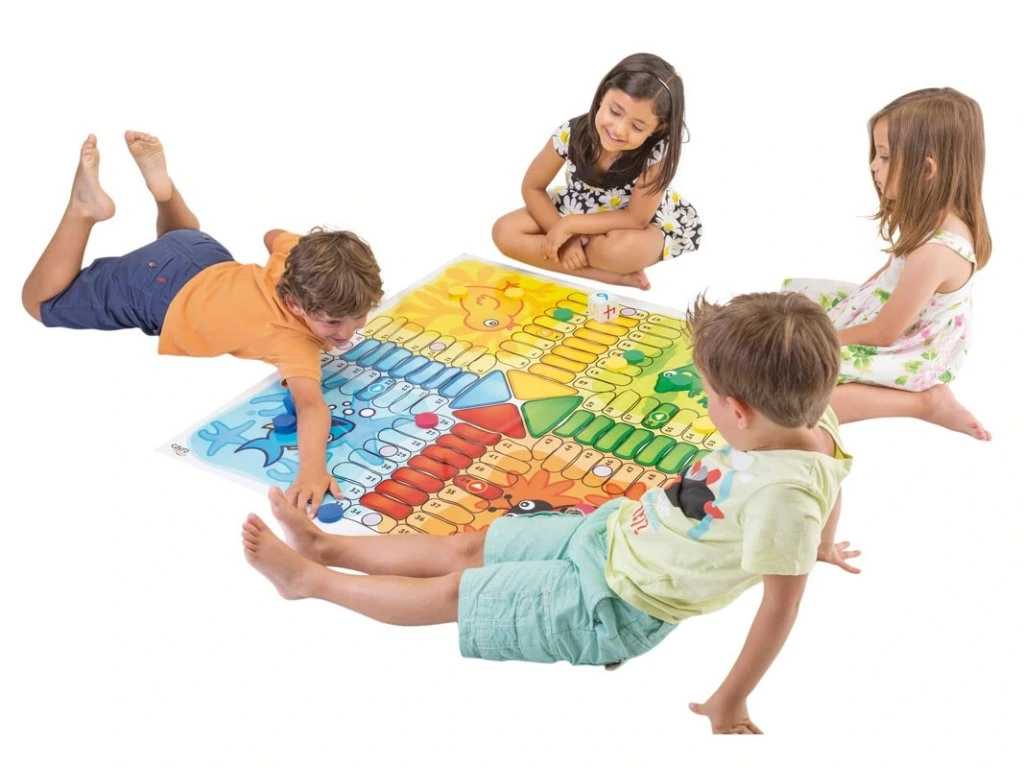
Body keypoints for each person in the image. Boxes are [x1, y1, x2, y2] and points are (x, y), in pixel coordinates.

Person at [241, 291, 857, 735]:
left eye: (709, 397)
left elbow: (780, 608)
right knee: (466, 545)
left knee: (459, 590)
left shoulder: (782, 499)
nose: (706, 404)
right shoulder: (812, 417)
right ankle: (325, 547)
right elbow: (834, 476)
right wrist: (824, 543)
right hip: (613, 531)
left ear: (741, 411)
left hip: (616, 603)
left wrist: (731, 699)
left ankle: (310, 582)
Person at [20, 131, 385, 511]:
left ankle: (164, 192)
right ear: (295, 305)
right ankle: (83, 209)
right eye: (332, 322)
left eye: (358, 315)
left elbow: (272, 235)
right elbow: (309, 405)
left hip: (198, 251)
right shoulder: (294, 342)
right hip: (156, 289)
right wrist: (311, 471)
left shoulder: (298, 257)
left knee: (179, 237)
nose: (347, 333)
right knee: (40, 303)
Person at [785, 88, 992, 440]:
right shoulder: (930, 217)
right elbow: (886, 277)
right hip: (892, 317)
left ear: (926, 169)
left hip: (909, 346)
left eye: (884, 156)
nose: (873, 166)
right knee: (795, 301)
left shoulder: (939, 251)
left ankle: (924, 403)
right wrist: (847, 312)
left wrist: (825, 340)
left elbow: (885, 333)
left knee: (795, 402)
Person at [491, 52, 701, 291]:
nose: (619, 129)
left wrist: (570, 226)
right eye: (615, 112)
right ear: (603, 94)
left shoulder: (657, 154)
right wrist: (564, 237)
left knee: (621, 251)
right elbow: (532, 187)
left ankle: (605, 263)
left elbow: (636, 218)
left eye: (637, 126)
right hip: (578, 208)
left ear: (657, 129)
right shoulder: (570, 133)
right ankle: (607, 275)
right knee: (504, 231)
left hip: (632, 221)